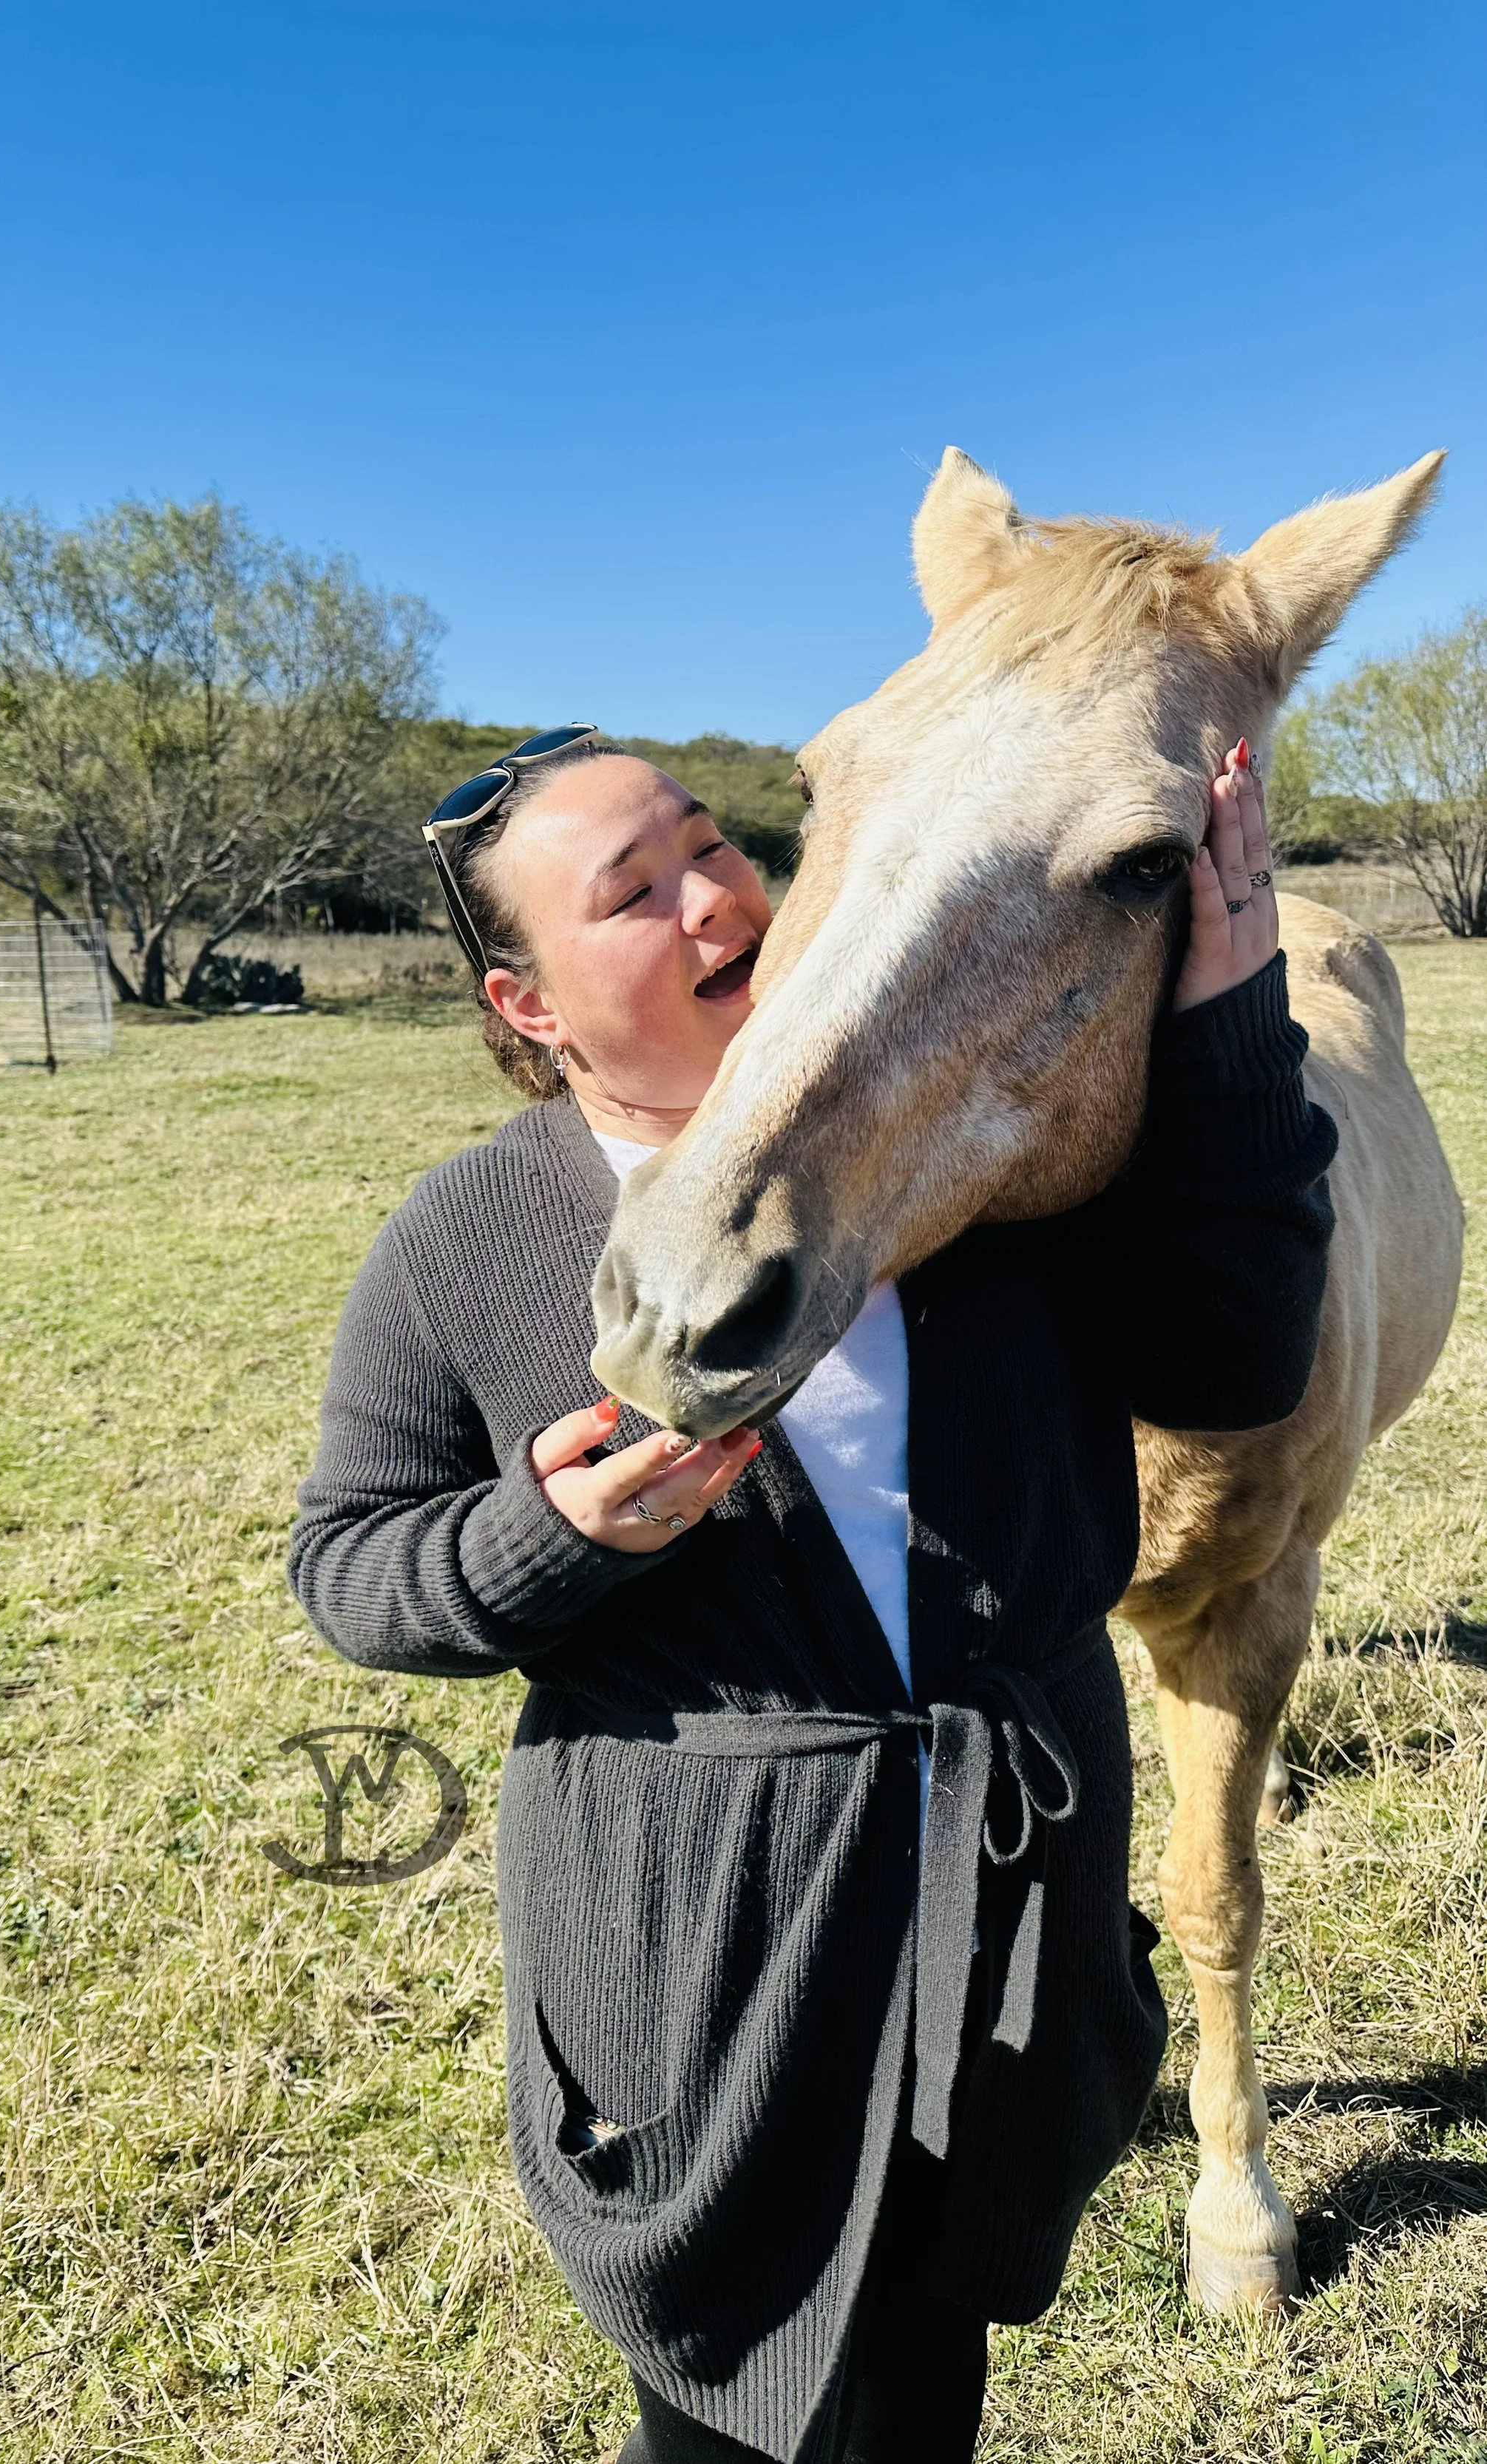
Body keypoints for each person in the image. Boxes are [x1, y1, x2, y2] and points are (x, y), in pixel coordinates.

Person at [288, 727, 1336, 2463]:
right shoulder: (469, 1237)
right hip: (702, 1950)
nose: (716, 894)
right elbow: (350, 1566)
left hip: (1000, 1907)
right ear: (528, 1001)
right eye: (632, 892)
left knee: (923, 2382)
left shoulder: (964, 1149)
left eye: (713, 842)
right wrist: (551, 1535)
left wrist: (1223, 1020)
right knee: (728, 2415)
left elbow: (1232, 1359)